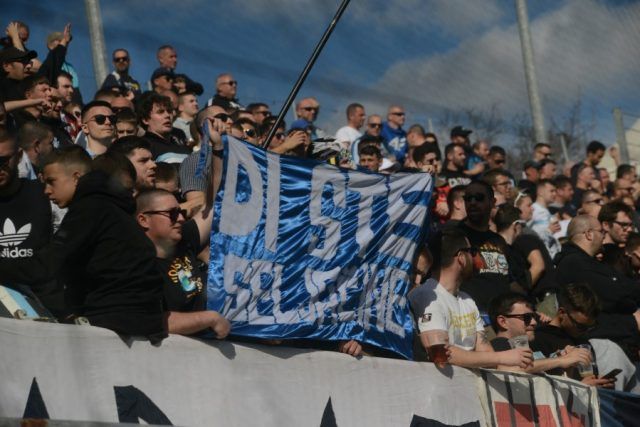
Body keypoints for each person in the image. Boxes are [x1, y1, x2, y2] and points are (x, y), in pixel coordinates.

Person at [0, 146, 167, 340]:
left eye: (52, 181)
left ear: (76, 178)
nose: (46, 191)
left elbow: (46, 265)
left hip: (115, 319)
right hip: (143, 319)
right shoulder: (112, 207)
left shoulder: (89, 208)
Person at [409, 228, 532, 369]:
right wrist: (502, 357)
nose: (476, 258)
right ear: (461, 258)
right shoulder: (428, 295)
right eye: (472, 252)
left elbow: (486, 352)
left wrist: (500, 359)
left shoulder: (467, 300)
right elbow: (441, 354)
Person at [135, 189, 230, 337]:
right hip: (184, 349)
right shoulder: (139, 266)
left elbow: (214, 204)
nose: (180, 218)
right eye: (172, 214)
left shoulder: (183, 238)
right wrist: (209, 319)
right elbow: (151, 319)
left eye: (181, 212)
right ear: (143, 220)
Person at [555, 215, 640, 361]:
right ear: (589, 234)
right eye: (601, 232)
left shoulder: (588, 262)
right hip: (602, 343)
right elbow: (615, 294)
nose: (604, 237)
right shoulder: (575, 263)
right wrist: (633, 320)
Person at [530, 283, 619, 389]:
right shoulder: (538, 338)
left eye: (591, 327)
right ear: (562, 312)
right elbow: (541, 386)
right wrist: (581, 386)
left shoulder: (583, 342)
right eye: (580, 326)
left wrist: (599, 383)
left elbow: (588, 379)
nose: (585, 331)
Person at [488, 292, 593, 375]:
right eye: (527, 317)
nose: (534, 322)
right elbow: (511, 369)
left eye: (534, 316)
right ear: (503, 322)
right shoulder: (498, 344)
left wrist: (568, 366)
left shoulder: (531, 352)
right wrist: (561, 360)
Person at [457, 181, 515, 311]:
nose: (472, 202)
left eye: (479, 198)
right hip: (470, 314)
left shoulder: (499, 241)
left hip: (500, 315)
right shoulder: (454, 235)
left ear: (492, 202)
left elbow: (510, 281)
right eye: (468, 198)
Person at [138, 93, 190, 163]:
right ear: (145, 120)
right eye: (160, 112)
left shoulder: (181, 144)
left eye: (169, 111)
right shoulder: (143, 147)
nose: (167, 115)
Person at [530, 179, 561, 258]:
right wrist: (549, 230)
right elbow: (533, 234)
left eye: (555, 191)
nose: (555, 194)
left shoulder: (547, 211)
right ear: (540, 192)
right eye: (551, 191)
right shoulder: (534, 210)